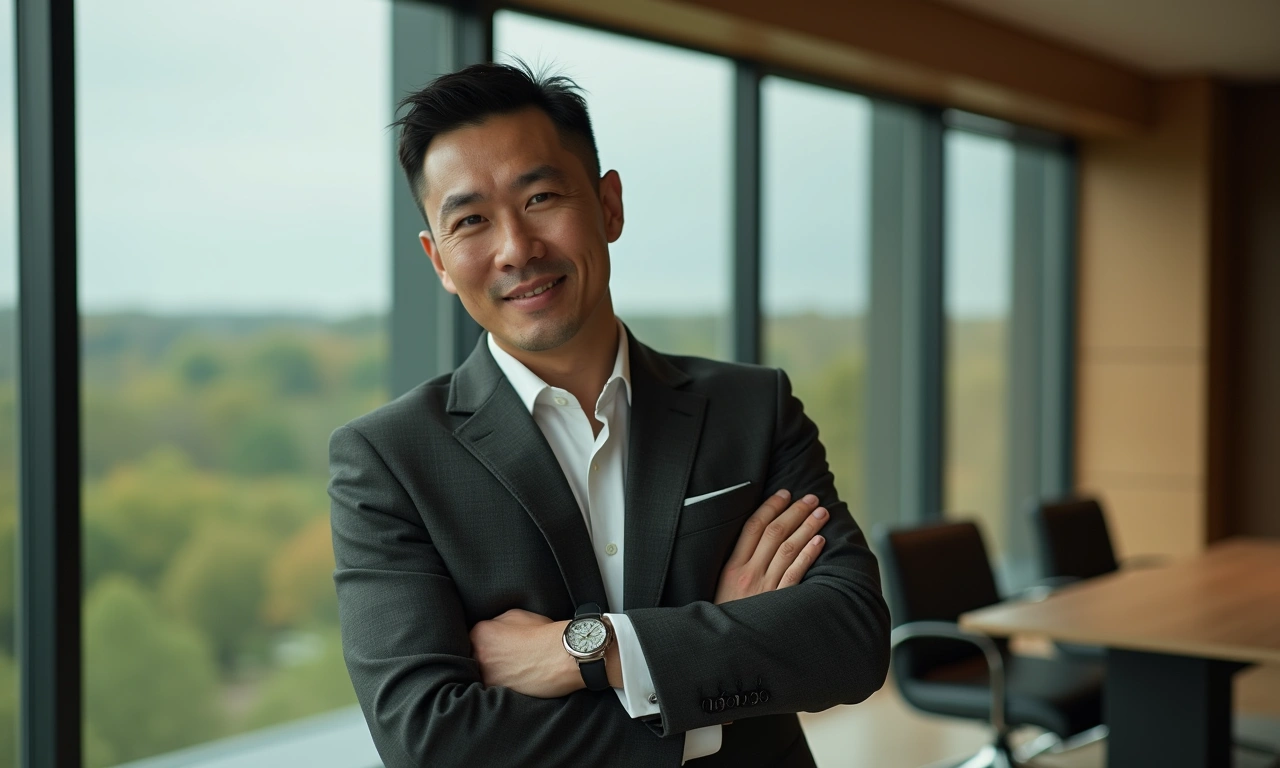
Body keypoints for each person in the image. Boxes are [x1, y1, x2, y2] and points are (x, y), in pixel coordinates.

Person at [328, 61, 890, 768]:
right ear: (438, 259)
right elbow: (432, 741)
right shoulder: (389, 461)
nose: (516, 249)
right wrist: (710, 674)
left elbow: (850, 640)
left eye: (540, 198)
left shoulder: (752, 407)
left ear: (609, 205)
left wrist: (586, 651)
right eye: (471, 220)